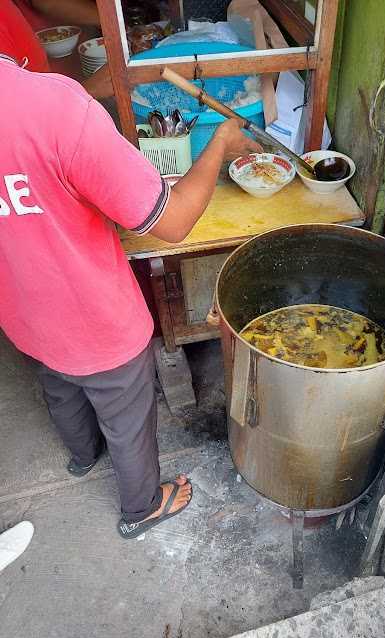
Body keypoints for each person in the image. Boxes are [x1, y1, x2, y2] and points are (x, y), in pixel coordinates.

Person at [0, 52, 261, 539]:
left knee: (61, 389)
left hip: (25, 318)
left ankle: (82, 457)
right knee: (126, 420)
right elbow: (174, 221)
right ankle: (140, 507)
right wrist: (222, 141)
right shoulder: (52, 108)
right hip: (97, 322)